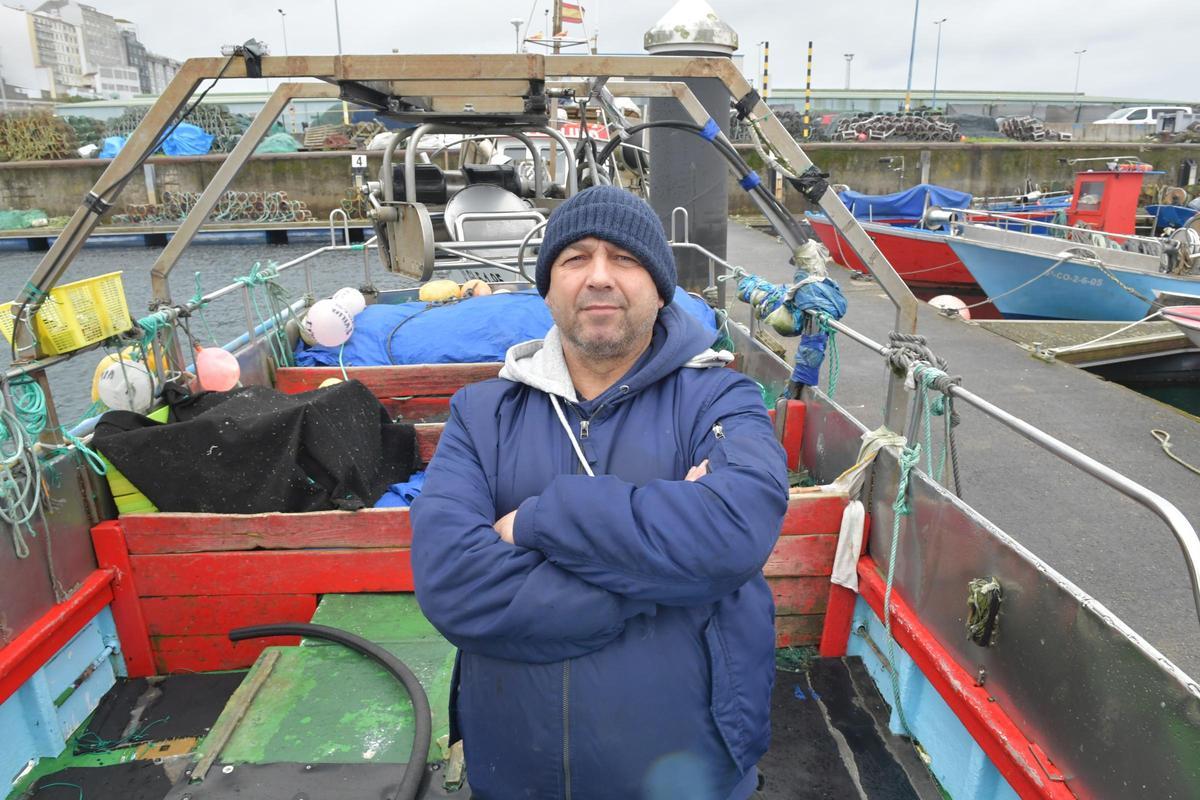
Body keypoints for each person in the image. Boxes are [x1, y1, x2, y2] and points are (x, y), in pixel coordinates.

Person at [411, 185, 789, 800]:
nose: (600, 277)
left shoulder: (721, 400)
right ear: (549, 285)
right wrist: (664, 584)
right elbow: (452, 583)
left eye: (625, 258)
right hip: (513, 769)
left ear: (660, 285)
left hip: (688, 771)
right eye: (576, 258)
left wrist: (538, 521)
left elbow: (731, 532)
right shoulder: (481, 414)